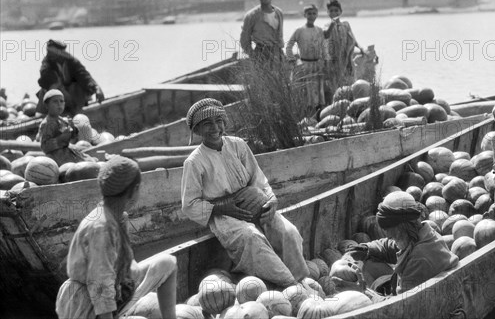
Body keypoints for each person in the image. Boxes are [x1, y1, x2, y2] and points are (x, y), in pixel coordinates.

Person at [181, 99, 310, 287]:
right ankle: (289, 284)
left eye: (219, 121)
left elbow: (258, 178)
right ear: (197, 130)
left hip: (255, 203)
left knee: (288, 232)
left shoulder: (238, 145)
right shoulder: (194, 162)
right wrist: (222, 207)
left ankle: (301, 276)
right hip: (224, 216)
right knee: (252, 238)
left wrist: (271, 199)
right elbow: (189, 205)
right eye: (207, 124)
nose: (216, 128)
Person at [55, 156, 178, 319]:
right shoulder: (101, 228)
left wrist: (130, 272)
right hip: (85, 305)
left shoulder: (118, 217)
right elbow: (100, 285)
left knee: (167, 263)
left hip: (117, 288)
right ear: (134, 190)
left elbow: (121, 262)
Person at [334, 191, 459, 296]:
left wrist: (362, 291)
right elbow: (388, 245)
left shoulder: (419, 258)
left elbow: (400, 308)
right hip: (413, 292)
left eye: (390, 230)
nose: (388, 235)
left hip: (415, 306)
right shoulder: (421, 234)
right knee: (369, 262)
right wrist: (362, 249)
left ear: (403, 226)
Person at [36, 39, 105, 117]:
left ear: (60, 53)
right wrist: (65, 97)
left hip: (73, 95)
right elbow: (47, 78)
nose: (50, 55)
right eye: (49, 52)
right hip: (58, 96)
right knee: (49, 90)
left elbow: (84, 76)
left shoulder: (72, 61)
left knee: (77, 87)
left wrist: (96, 88)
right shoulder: (46, 63)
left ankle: (78, 112)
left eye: (52, 53)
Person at [285, 4, 329, 115]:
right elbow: (289, 45)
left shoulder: (319, 30)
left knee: (318, 92)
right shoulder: (299, 30)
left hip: (317, 65)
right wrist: (292, 60)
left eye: (314, 13)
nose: (312, 16)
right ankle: (306, 114)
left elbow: (324, 47)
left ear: (317, 15)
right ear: (305, 15)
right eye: (309, 13)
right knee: (306, 92)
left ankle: (318, 115)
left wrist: (326, 61)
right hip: (304, 64)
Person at [37, 89, 95, 167]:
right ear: (47, 106)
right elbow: (45, 147)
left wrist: (73, 128)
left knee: (90, 160)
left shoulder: (63, 120)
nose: (59, 104)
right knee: (82, 165)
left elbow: (73, 136)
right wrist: (60, 139)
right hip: (56, 156)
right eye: (55, 101)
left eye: (61, 101)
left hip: (68, 151)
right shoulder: (46, 124)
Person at [323, 0, 365, 101]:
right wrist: (333, 24)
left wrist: (360, 48)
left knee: (349, 83)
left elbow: (352, 39)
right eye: (331, 11)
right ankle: (337, 105)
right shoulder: (327, 26)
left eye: (336, 10)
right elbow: (326, 34)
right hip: (334, 62)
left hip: (347, 60)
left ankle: (350, 102)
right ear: (328, 12)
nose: (334, 13)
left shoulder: (346, 25)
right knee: (336, 85)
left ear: (340, 11)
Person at [240, 0, 284, 65]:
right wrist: (254, 56)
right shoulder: (251, 16)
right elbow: (244, 40)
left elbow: (280, 37)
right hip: (261, 56)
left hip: (278, 55)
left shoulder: (279, 13)